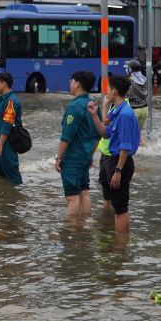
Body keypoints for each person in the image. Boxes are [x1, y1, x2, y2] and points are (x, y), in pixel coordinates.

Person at [88, 75, 141, 234]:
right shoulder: (117, 110)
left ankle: (121, 248)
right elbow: (105, 133)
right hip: (115, 161)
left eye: (108, 88)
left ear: (114, 91)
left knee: (120, 209)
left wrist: (118, 171)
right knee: (117, 207)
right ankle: (118, 244)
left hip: (120, 162)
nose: (106, 92)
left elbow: (125, 146)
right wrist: (93, 115)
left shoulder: (124, 114)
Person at [55, 71, 98, 218]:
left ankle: (74, 231)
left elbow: (66, 136)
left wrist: (58, 157)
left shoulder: (74, 107)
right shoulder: (92, 104)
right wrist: (90, 156)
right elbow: (98, 135)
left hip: (73, 158)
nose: (70, 84)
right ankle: (83, 226)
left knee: (72, 197)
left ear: (78, 83)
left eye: (71, 81)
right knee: (84, 192)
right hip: (86, 156)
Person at [0, 71, 23, 186]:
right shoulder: (2, 99)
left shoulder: (11, 101)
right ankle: (4, 199)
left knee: (13, 175)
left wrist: (0, 144)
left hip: (7, 144)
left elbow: (8, 124)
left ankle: (17, 199)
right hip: (0, 142)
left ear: (4, 83)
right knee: (0, 172)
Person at [125, 59, 149, 129]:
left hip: (134, 110)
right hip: (144, 109)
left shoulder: (129, 80)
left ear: (130, 69)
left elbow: (127, 95)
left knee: (129, 134)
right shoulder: (144, 79)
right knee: (138, 134)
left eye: (128, 68)